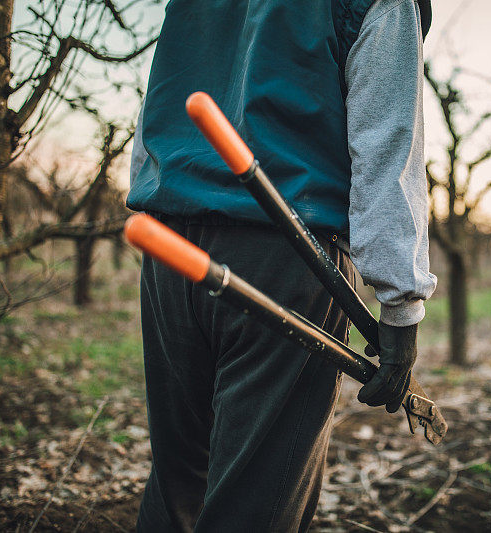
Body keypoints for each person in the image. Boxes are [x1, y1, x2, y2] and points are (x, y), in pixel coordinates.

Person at [127, 0, 436, 530]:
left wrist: (159, 195)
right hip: (291, 255)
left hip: (169, 243)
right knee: (257, 505)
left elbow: (163, 96)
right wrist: (401, 309)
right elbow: (387, 145)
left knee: (176, 484)